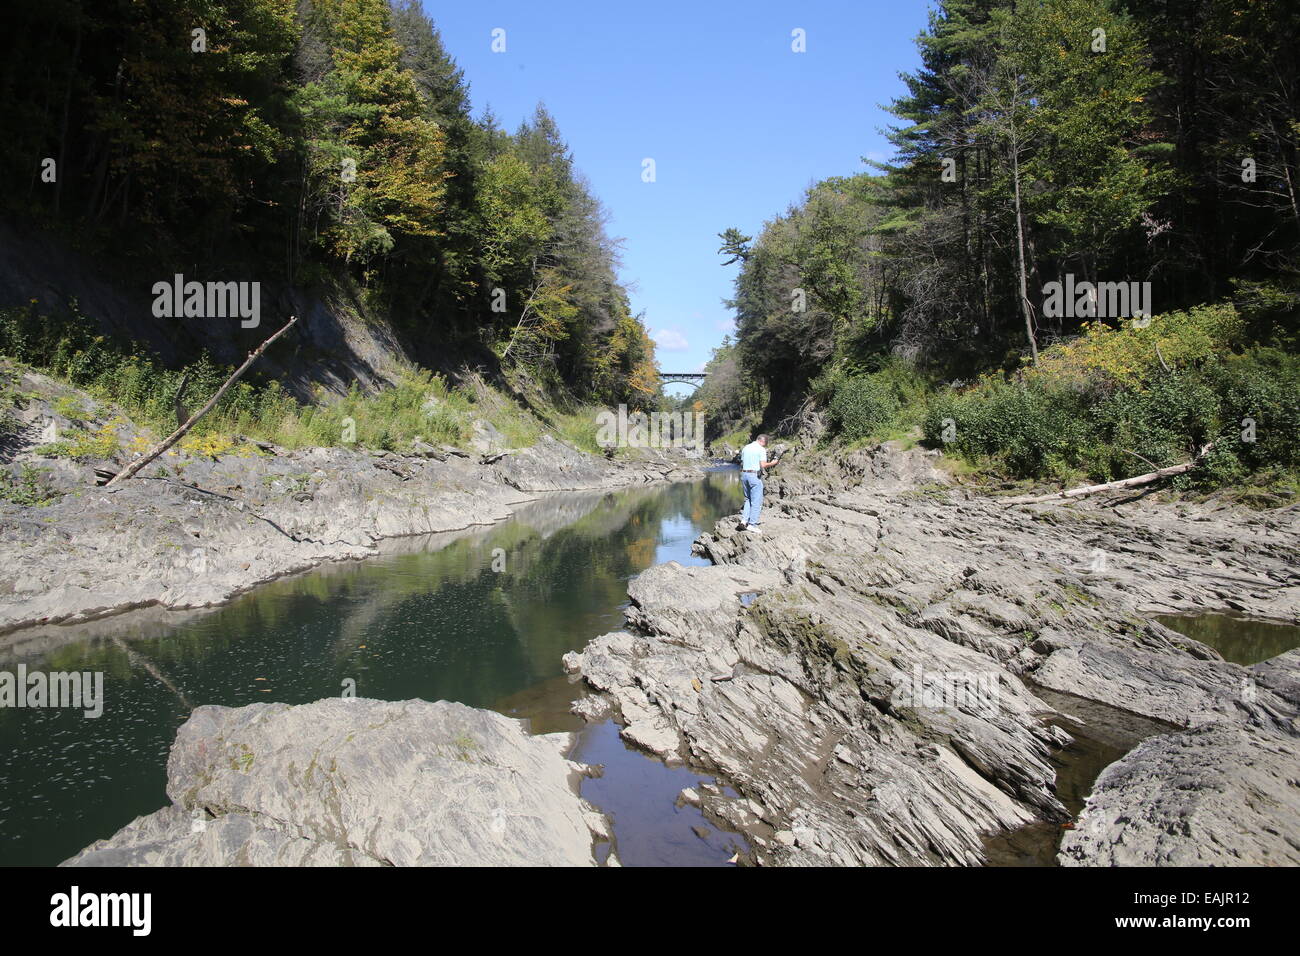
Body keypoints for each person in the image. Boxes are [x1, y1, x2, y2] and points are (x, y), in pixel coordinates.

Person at [739, 434, 778, 533]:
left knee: (747, 499)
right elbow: (763, 465)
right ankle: (752, 524)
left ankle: (744, 521)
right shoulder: (761, 449)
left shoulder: (746, 448)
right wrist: (773, 463)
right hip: (754, 476)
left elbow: (742, 462)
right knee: (756, 501)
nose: (764, 446)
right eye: (765, 444)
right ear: (763, 442)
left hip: (744, 474)